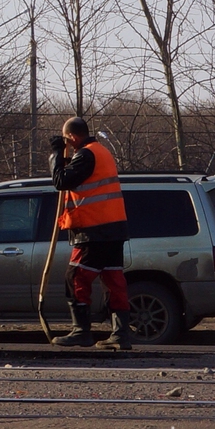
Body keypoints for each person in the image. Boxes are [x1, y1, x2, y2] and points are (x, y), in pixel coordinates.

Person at [49, 116, 133, 350]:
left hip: (94, 230)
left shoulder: (86, 154)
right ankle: (120, 335)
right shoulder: (101, 152)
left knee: (75, 277)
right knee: (113, 280)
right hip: (113, 228)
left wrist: (56, 154)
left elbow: (61, 180)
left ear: (73, 137)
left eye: (66, 139)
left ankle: (81, 331)